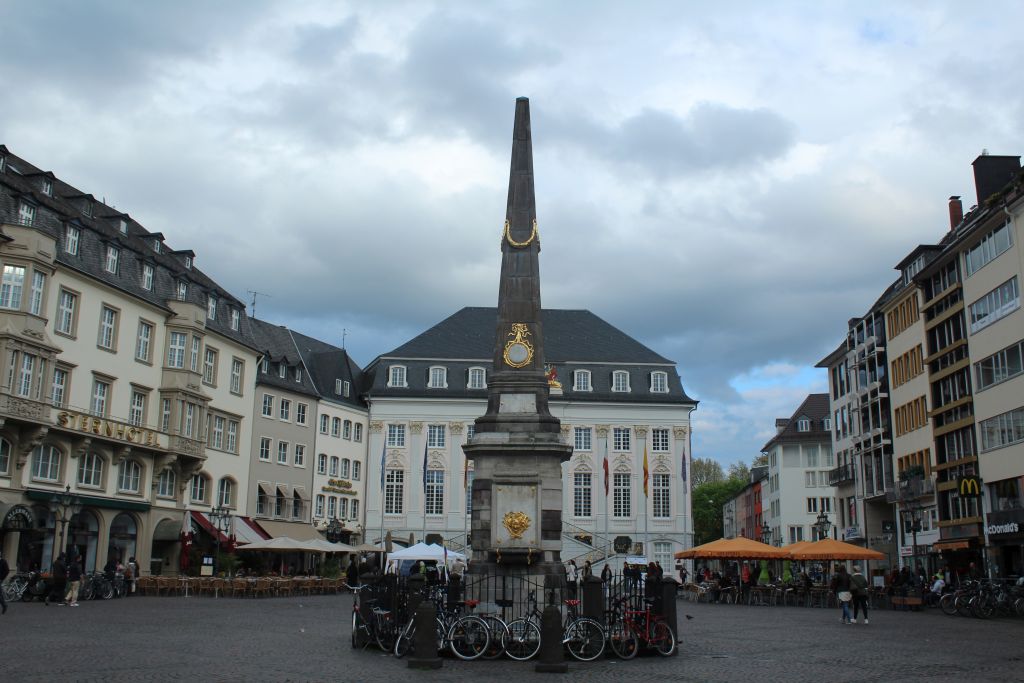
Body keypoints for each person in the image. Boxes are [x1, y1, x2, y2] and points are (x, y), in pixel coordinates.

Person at [0, 550, 9, 615]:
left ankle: (4, 605)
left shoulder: (3, 562)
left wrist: (1, 578)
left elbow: (7, 571)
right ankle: (4, 605)